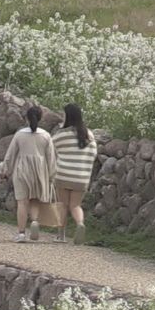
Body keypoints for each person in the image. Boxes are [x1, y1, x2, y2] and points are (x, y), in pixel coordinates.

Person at [0, 105, 57, 243]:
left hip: (22, 169)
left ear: (26, 118)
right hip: (40, 170)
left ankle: (21, 233)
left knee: (22, 202)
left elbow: (10, 155)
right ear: (41, 118)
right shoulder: (46, 136)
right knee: (35, 199)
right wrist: (51, 175)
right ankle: (35, 222)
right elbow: (51, 157)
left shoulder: (20, 134)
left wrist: (4, 171)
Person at [51, 103, 98, 244]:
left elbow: (51, 148)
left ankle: (61, 235)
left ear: (68, 117)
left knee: (62, 205)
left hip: (63, 175)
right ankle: (80, 224)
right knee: (75, 205)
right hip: (81, 177)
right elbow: (93, 154)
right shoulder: (88, 134)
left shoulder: (62, 134)